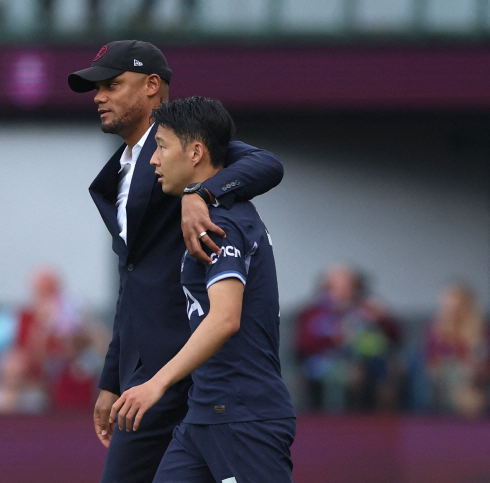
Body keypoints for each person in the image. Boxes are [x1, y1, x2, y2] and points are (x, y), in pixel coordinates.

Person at [68, 40, 284, 482]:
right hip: (153, 375)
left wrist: (202, 193)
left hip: (195, 371)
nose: (98, 96)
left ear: (152, 86)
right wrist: (113, 379)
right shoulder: (118, 173)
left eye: (111, 84)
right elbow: (132, 284)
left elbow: (267, 164)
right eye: (96, 88)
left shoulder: (186, 146)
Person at [110, 96, 295, 482]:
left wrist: (155, 383)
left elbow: (225, 319)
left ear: (195, 152)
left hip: (244, 416)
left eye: (161, 147)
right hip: (204, 413)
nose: (154, 161)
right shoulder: (208, 214)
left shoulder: (222, 222)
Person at [0, 268, 109, 413]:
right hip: (32, 376)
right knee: (12, 367)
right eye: (42, 291)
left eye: (50, 290)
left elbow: (97, 344)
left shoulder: (76, 314)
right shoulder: (19, 317)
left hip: (67, 377)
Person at [294, 264, 401, 412]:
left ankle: (379, 425)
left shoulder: (367, 308)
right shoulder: (313, 312)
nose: (344, 290)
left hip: (366, 362)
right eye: (338, 285)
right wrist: (334, 338)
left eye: (349, 285)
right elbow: (303, 344)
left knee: (384, 373)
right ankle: (341, 425)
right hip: (324, 362)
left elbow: (393, 338)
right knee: (351, 373)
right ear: (327, 287)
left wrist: (382, 318)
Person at [424, 282, 489, 417]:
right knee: (468, 398)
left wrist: (475, 367)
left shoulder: (480, 329)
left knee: (470, 391)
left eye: (457, 304)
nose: (452, 308)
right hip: (445, 379)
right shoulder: (436, 330)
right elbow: (431, 363)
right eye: (449, 303)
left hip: (476, 378)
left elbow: (484, 360)